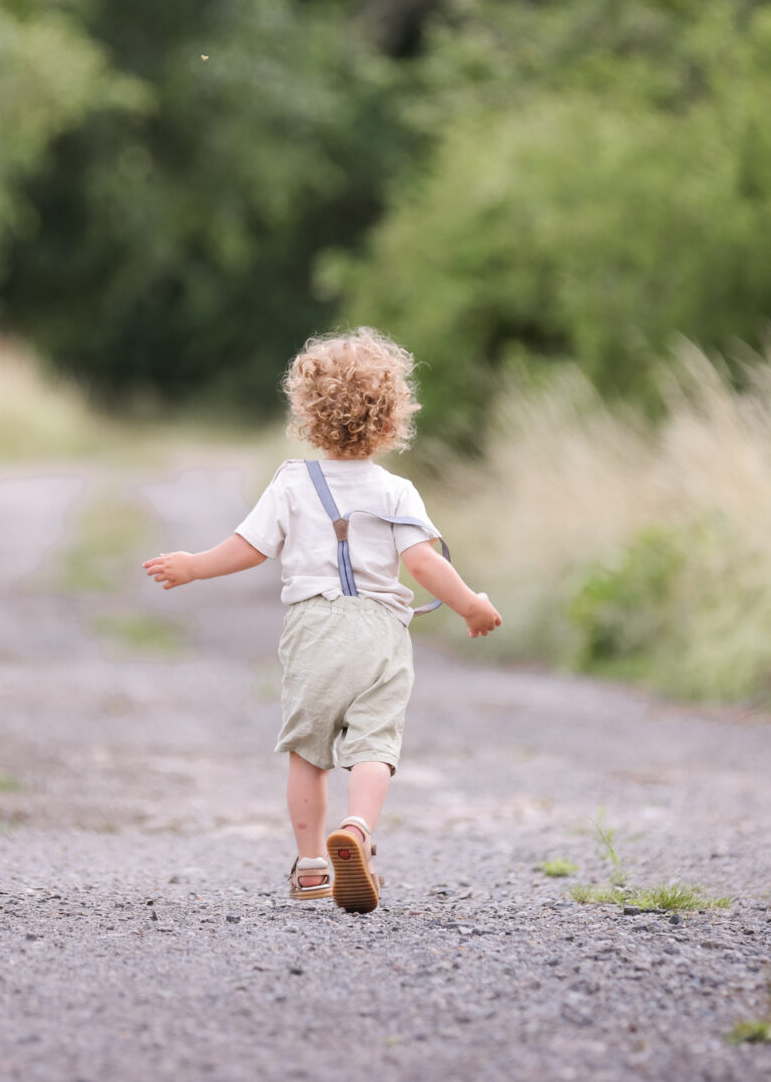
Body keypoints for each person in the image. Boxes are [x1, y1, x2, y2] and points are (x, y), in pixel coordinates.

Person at [142, 328, 503, 914]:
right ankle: (357, 830)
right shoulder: (396, 491)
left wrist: (193, 567)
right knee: (373, 745)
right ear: (391, 421)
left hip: (313, 629)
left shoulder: (292, 482)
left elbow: (249, 547)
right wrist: (472, 606)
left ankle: (312, 867)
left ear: (308, 415)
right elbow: (422, 564)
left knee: (308, 752)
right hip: (381, 633)